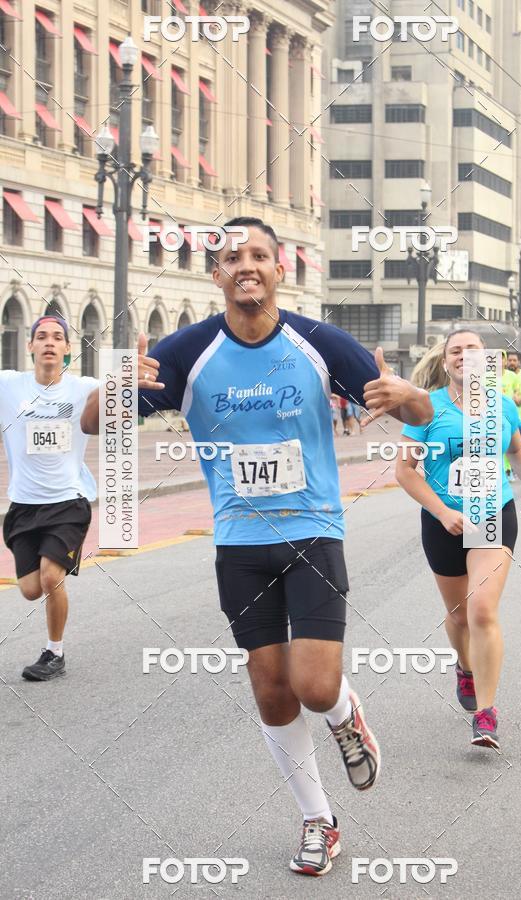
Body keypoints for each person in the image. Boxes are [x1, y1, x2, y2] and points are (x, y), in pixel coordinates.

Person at [81, 217, 433, 875]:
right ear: (215, 275)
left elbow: (412, 411)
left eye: (259, 255)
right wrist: (118, 385)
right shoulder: (187, 351)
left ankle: (345, 714)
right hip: (239, 543)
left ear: (279, 270)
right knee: (272, 690)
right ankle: (318, 820)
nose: (246, 265)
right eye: (232, 257)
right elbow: (96, 423)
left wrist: (413, 395)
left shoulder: (319, 341)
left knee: (314, 682)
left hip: (313, 530)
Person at [398, 329, 521, 750]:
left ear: (487, 360)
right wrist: (443, 511)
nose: (464, 356)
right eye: (456, 351)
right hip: (444, 520)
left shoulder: (502, 405)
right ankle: (464, 668)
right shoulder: (426, 407)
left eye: (473, 350)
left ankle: (486, 714)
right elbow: (405, 471)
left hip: (492, 515)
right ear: (445, 362)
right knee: (459, 616)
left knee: (482, 610)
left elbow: (517, 450)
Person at [0, 316, 97, 680]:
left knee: (50, 578)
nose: (50, 343)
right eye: (41, 337)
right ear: (30, 346)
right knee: (28, 590)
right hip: (24, 506)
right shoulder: (9, 385)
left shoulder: (84, 387)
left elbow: (121, 391)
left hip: (69, 503)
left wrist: (131, 374)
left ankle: (54, 653)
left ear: (68, 348)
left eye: (58, 337)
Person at [501, 351, 517, 482]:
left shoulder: (512, 376)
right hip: (491, 416)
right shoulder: (485, 377)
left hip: (509, 415)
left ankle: (509, 469)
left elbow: (516, 392)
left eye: (502, 359)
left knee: (509, 444)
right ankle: (504, 470)